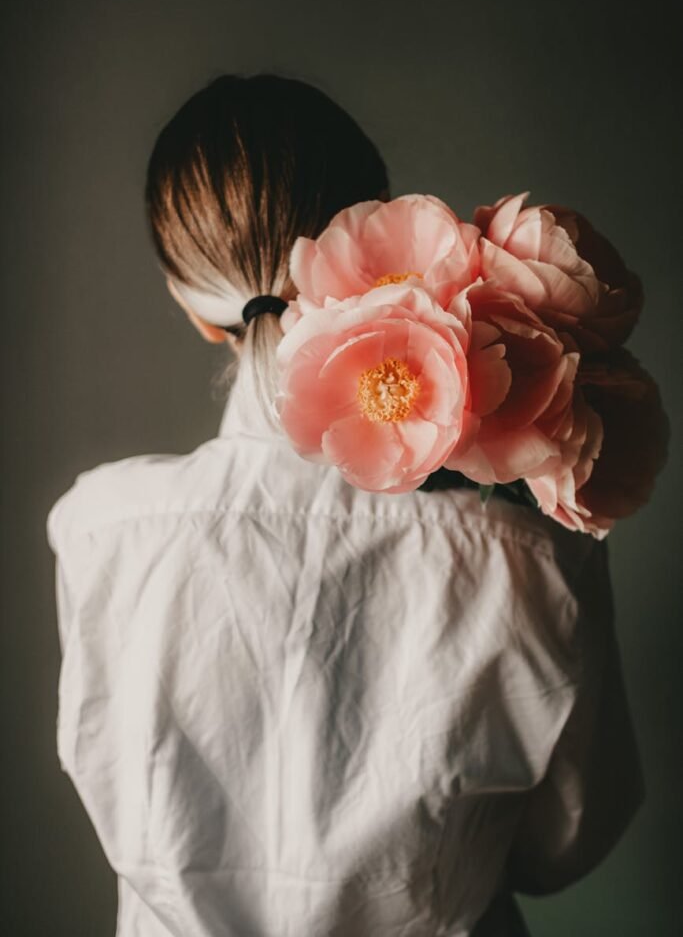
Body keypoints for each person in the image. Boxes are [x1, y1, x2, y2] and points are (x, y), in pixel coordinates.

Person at [47, 74, 644, 937]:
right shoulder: (532, 552)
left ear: (189, 302)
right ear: (377, 243)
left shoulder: (98, 530)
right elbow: (570, 838)